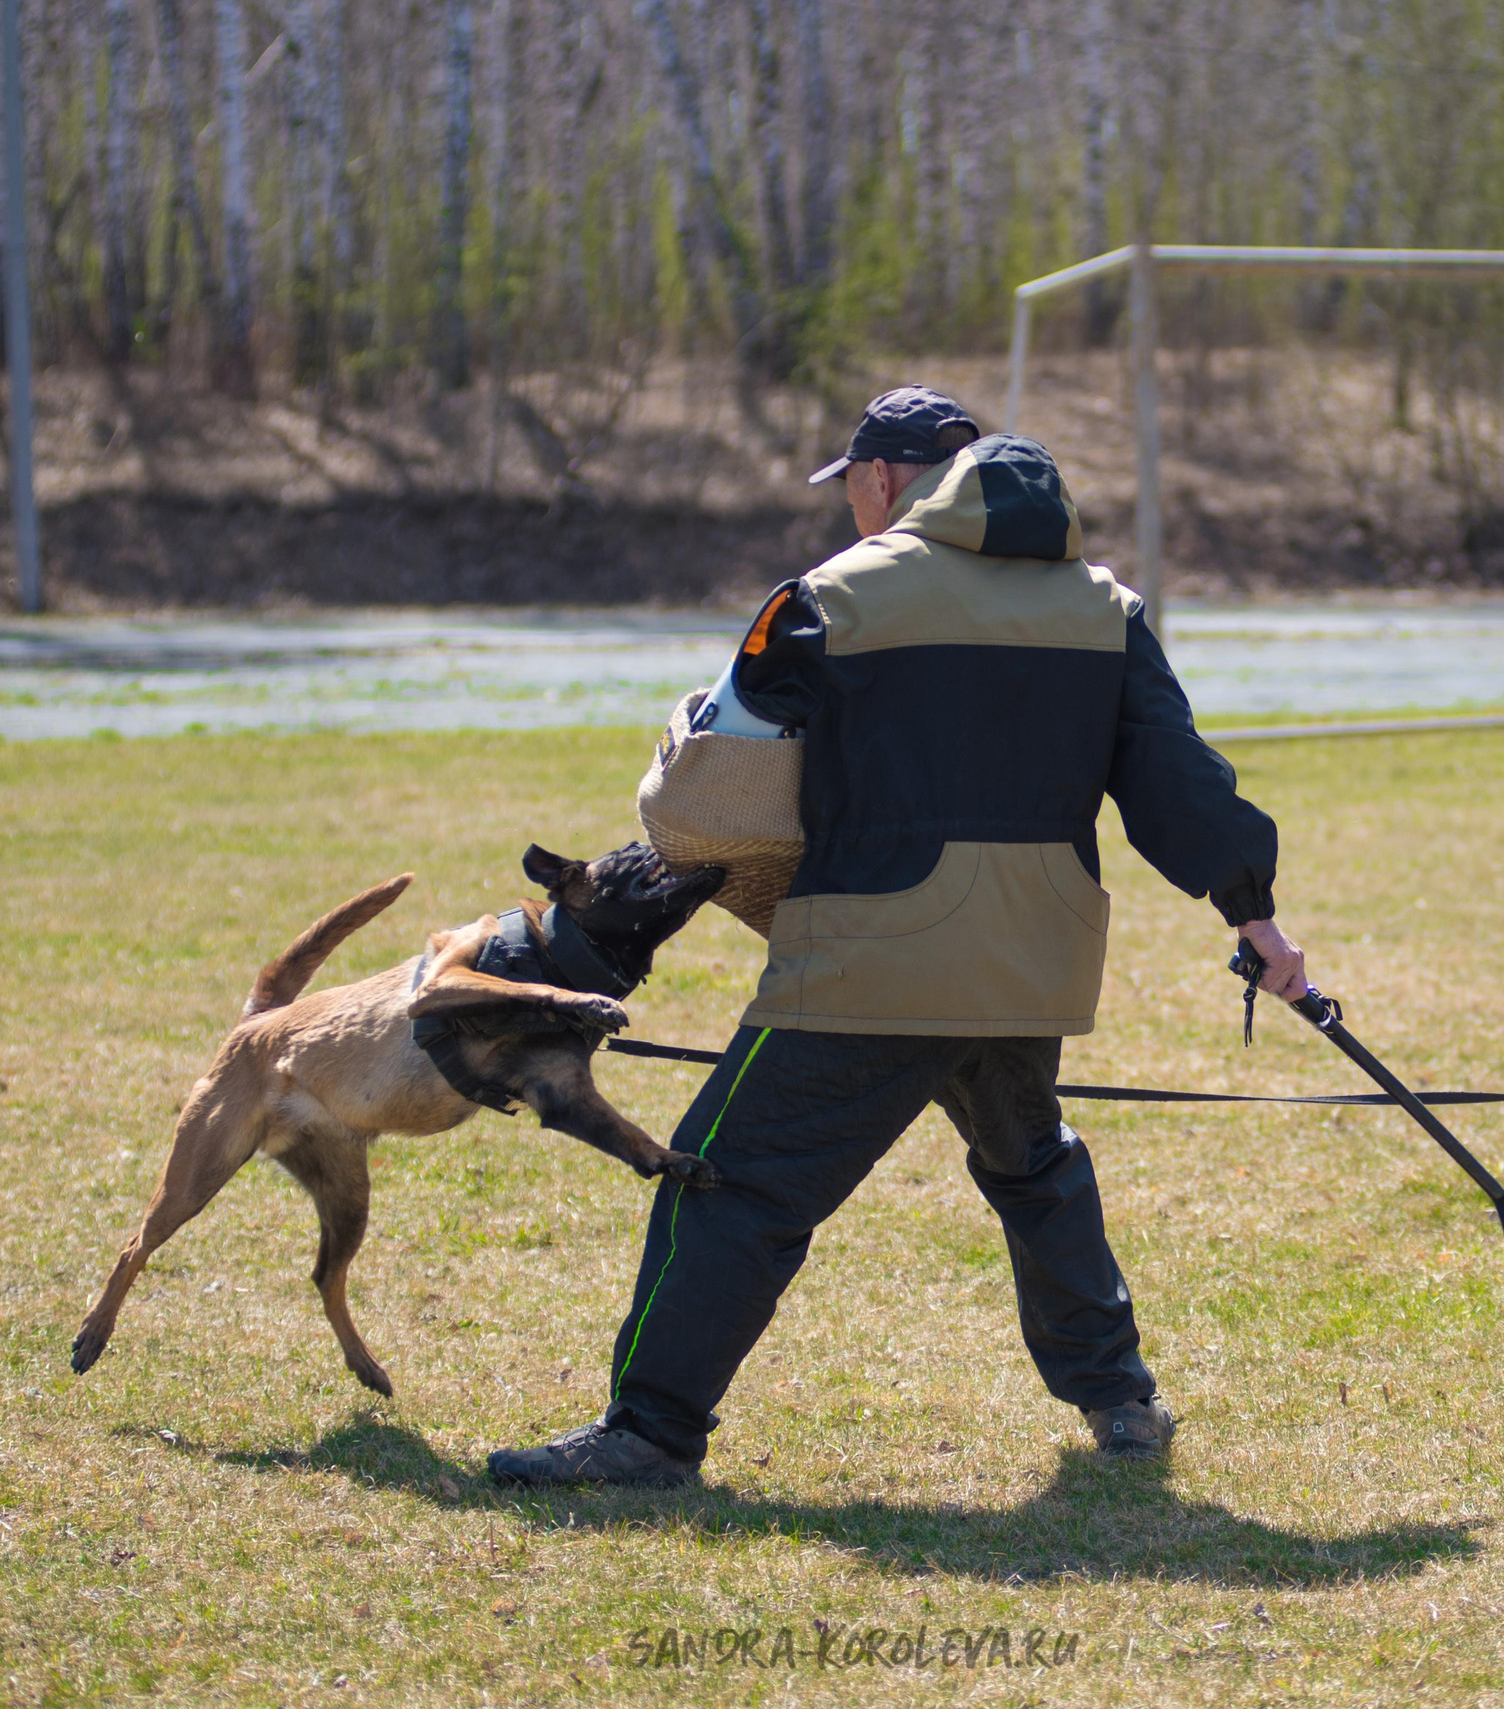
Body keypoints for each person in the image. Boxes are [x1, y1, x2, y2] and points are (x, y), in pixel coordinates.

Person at [489, 386, 1306, 1488]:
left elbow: (704, 796)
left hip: (868, 959)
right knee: (1031, 1161)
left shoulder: (831, 596)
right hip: (1030, 960)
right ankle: (1120, 1396)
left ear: (881, 479)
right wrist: (1253, 916)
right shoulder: (1104, 605)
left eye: (855, 486)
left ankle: (649, 1431)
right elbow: (1178, 783)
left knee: (730, 1180)